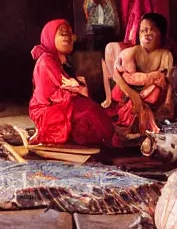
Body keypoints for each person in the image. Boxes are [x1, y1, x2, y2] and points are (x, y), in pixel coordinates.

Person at [29, 19, 121, 147]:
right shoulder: (46, 60)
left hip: (62, 103)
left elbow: (72, 86)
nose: (67, 37)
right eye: (62, 33)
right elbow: (61, 89)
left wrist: (78, 87)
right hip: (48, 109)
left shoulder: (58, 60)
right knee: (88, 113)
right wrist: (78, 88)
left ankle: (110, 140)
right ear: (50, 36)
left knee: (91, 110)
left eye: (69, 33)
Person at [106, 13, 174, 134]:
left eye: (152, 30)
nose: (147, 34)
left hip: (150, 96)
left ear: (161, 33)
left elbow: (167, 81)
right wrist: (134, 95)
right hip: (127, 91)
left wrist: (167, 101)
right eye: (143, 31)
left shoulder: (165, 54)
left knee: (160, 82)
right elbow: (119, 76)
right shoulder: (133, 51)